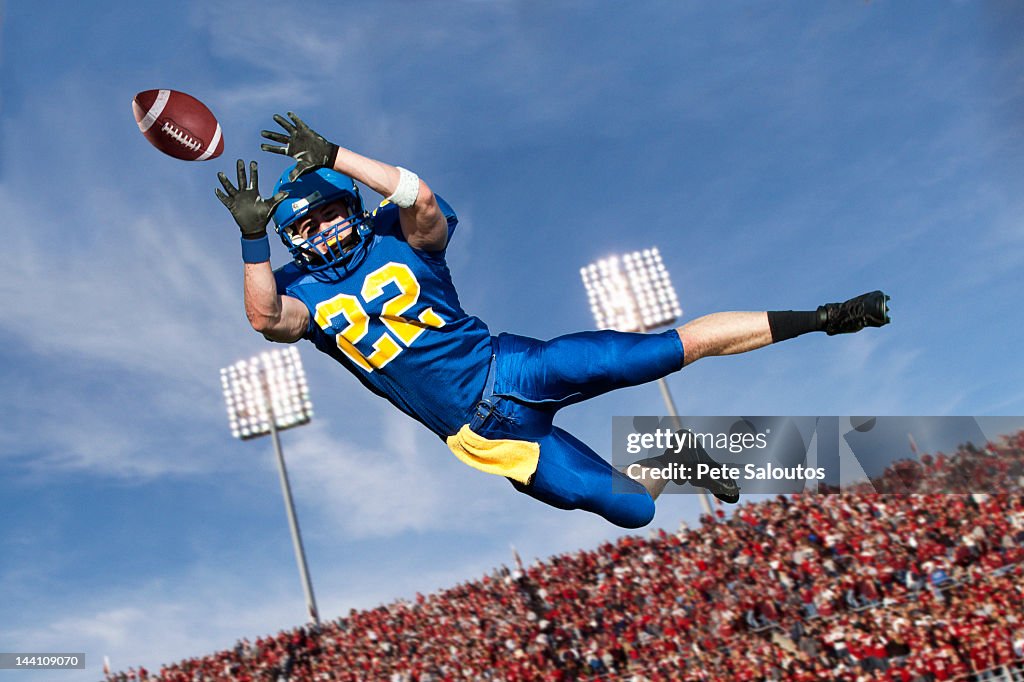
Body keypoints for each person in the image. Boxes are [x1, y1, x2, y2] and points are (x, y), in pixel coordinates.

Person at [215, 112, 891, 529]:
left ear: (353, 205)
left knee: (659, 351)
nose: (325, 231)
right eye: (307, 225)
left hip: (509, 367)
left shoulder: (396, 233)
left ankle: (823, 317)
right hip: (481, 439)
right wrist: (251, 242)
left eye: (332, 212)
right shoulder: (293, 287)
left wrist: (336, 154)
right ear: (291, 239)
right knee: (634, 511)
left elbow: (418, 197)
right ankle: (673, 459)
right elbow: (263, 317)